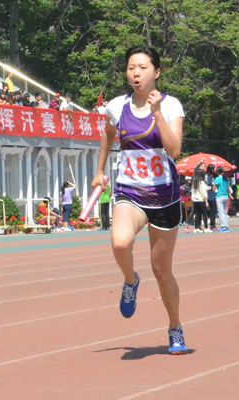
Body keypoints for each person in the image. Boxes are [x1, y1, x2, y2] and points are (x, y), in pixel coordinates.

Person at [90, 46, 188, 355]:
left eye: (143, 68)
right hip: (130, 191)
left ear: (156, 72)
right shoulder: (117, 106)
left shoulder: (170, 106)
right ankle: (130, 280)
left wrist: (157, 113)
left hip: (164, 197)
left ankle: (175, 327)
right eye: (131, 67)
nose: (136, 73)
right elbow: (108, 134)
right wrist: (99, 170)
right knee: (120, 242)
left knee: (162, 270)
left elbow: (174, 150)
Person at [191, 165, 210, 233]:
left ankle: (196, 228)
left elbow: (193, 192)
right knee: (204, 214)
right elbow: (204, 193)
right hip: (201, 200)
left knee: (197, 214)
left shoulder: (194, 182)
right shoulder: (202, 182)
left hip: (195, 200)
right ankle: (206, 228)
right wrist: (206, 201)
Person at [214, 166, 231, 232]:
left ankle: (223, 227)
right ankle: (226, 226)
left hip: (219, 197)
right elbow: (228, 189)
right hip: (226, 197)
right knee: (225, 212)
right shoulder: (226, 178)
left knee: (221, 212)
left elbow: (214, 189)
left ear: (217, 172)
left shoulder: (217, 179)